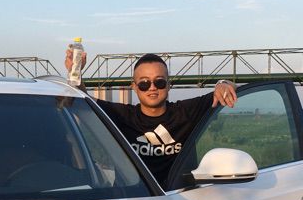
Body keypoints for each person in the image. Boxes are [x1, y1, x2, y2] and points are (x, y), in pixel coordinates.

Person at [65, 51, 237, 188]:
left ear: (168, 85)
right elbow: (81, 100)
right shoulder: (122, 116)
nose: (152, 88)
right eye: (144, 83)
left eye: (159, 82)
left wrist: (223, 83)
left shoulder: (185, 112)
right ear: (134, 87)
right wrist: (75, 73)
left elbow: (229, 88)